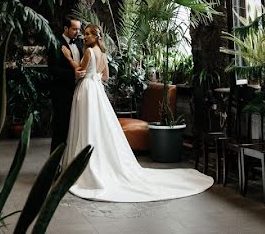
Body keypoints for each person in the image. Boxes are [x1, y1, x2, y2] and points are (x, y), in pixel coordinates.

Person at [60, 24, 214, 202]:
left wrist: (69, 57)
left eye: (88, 34)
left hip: (87, 89)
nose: (84, 37)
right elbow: (106, 77)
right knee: (97, 125)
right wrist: (94, 77)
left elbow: (80, 70)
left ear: (96, 37)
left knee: (87, 125)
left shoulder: (88, 52)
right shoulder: (102, 53)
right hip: (97, 90)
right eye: (84, 34)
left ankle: (86, 165)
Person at [49, 17, 85, 153]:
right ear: (66, 28)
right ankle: (54, 162)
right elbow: (53, 69)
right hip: (62, 92)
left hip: (80, 91)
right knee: (61, 127)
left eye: (78, 29)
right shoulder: (55, 43)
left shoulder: (81, 43)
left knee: (76, 127)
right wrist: (72, 75)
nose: (77, 32)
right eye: (74, 29)